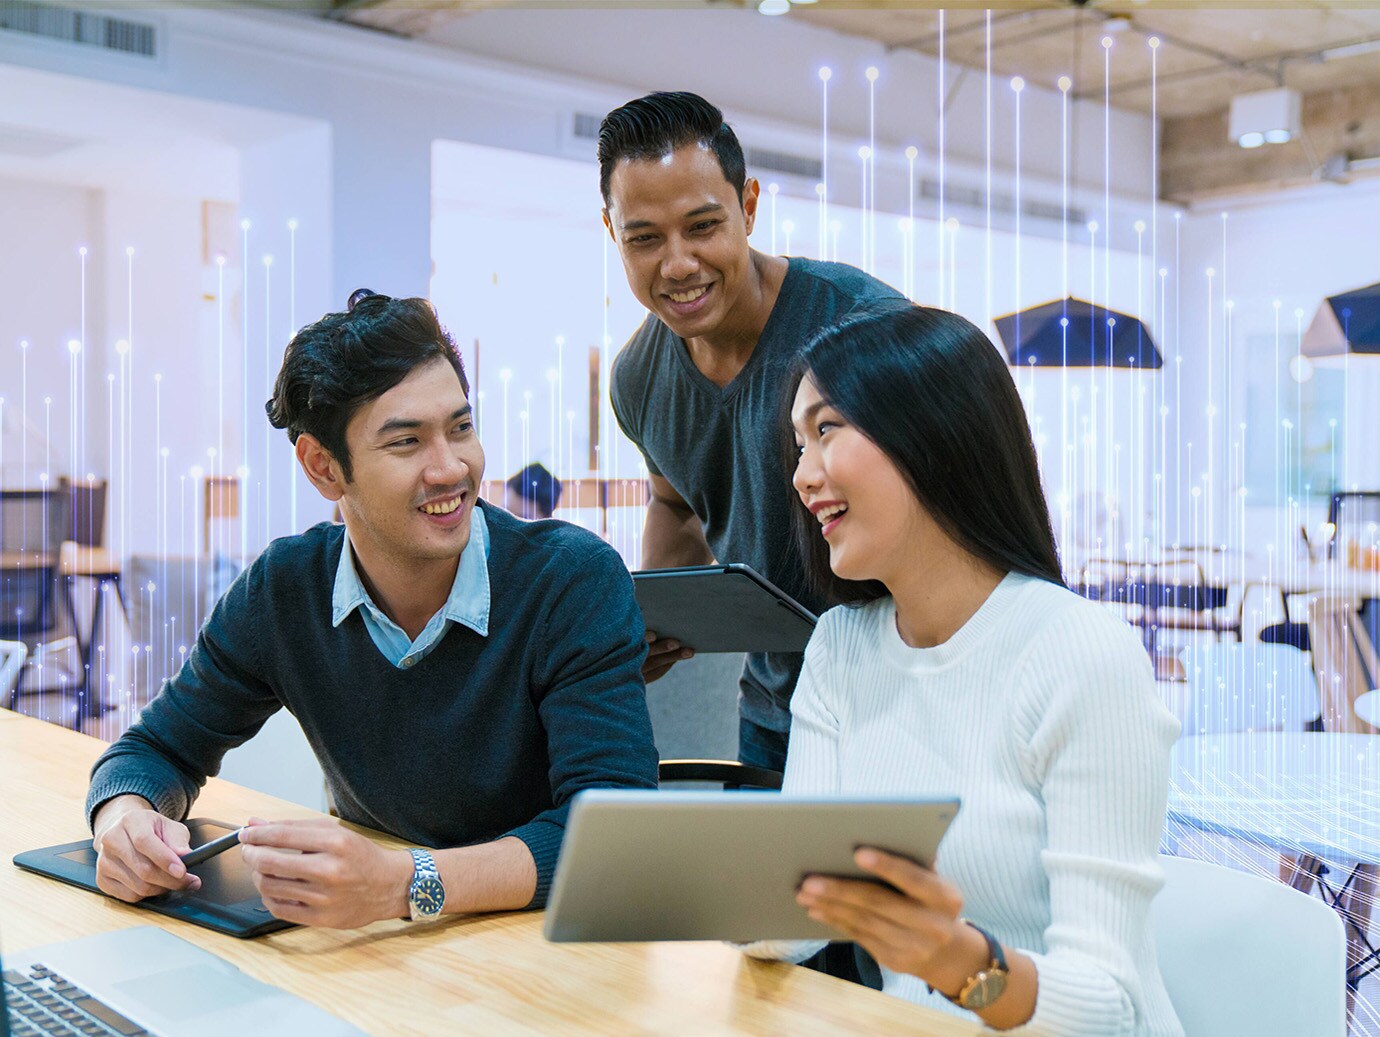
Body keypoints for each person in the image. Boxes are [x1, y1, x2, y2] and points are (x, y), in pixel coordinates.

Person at [86, 291, 659, 928]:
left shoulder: (571, 581)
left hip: (543, 940)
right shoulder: (285, 589)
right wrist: (123, 821)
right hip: (376, 946)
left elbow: (614, 835)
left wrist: (405, 883)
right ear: (323, 467)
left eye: (460, 428)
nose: (451, 468)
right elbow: (155, 749)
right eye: (407, 441)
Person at [743, 300, 1182, 1036]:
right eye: (797, 444)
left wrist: (958, 961)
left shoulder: (1080, 653)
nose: (802, 476)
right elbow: (791, 924)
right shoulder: (840, 647)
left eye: (827, 429)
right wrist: (697, 881)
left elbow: (1110, 1008)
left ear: (932, 435)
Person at [600, 90, 903, 774]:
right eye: (644, 238)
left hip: (894, 703)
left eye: (702, 226)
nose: (678, 264)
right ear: (612, 232)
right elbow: (675, 502)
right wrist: (653, 619)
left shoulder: (863, 326)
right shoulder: (638, 378)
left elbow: (944, 515)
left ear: (749, 205)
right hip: (772, 714)